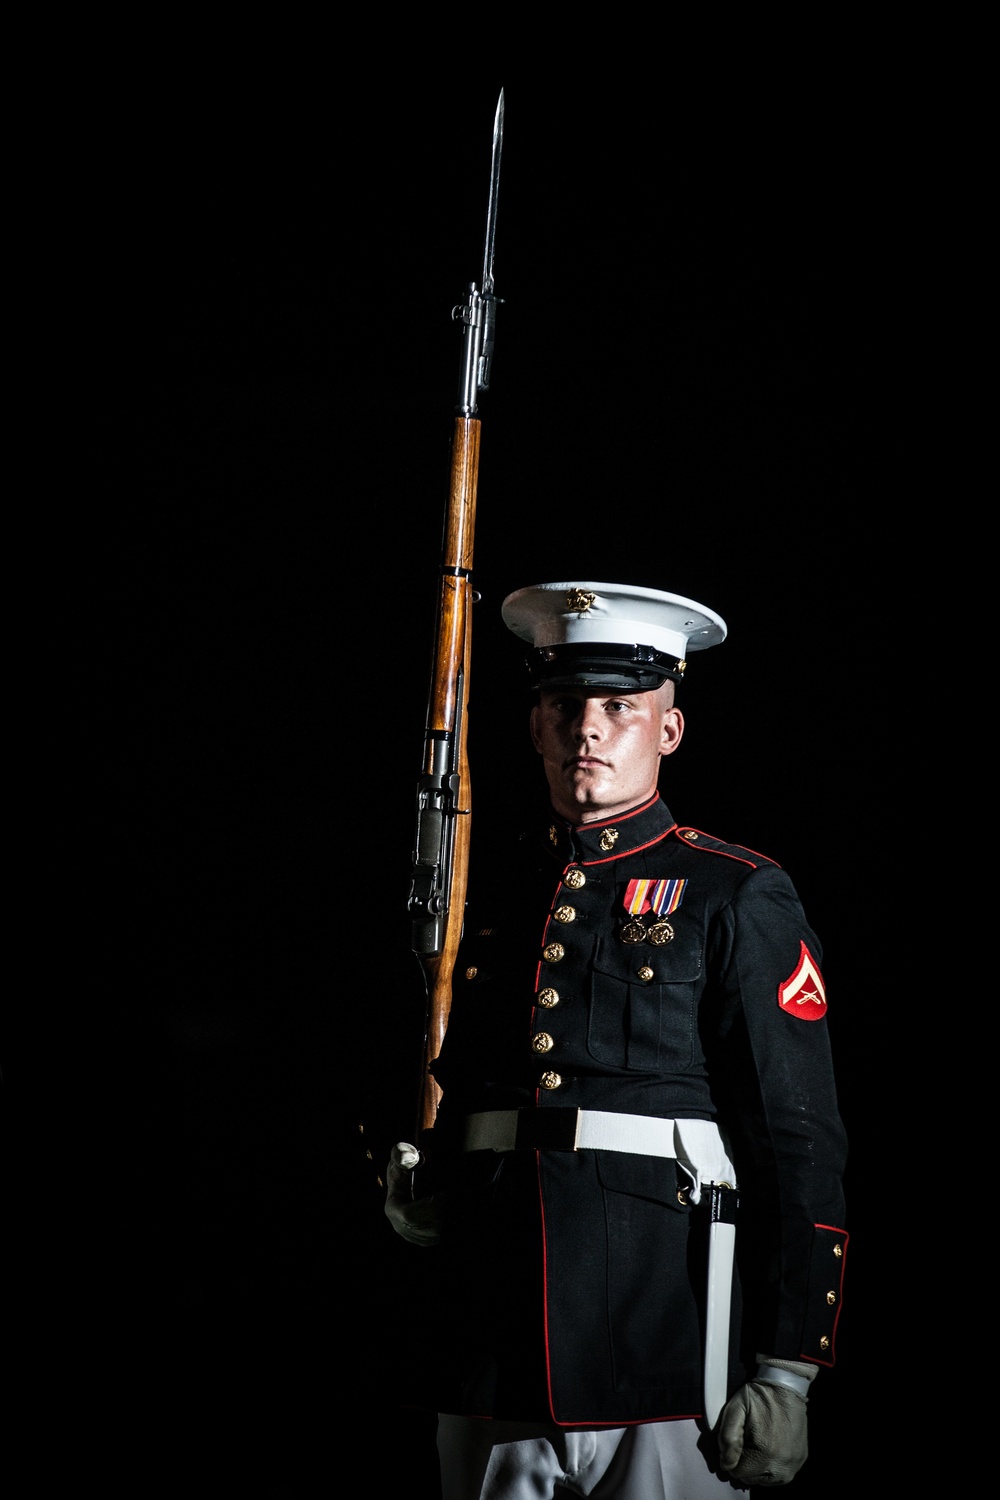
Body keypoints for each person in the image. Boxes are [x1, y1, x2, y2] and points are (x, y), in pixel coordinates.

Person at [384, 580, 848, 1499]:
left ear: (668, 732)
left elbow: (799, 1142)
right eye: (565, 706)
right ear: (537, 727)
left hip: (664, 1341)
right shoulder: (494, 892)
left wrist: (790, 1365)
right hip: (494, 1340)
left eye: (620, 708)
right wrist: (424, 1174)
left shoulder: (734, 890)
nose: (588, 729)